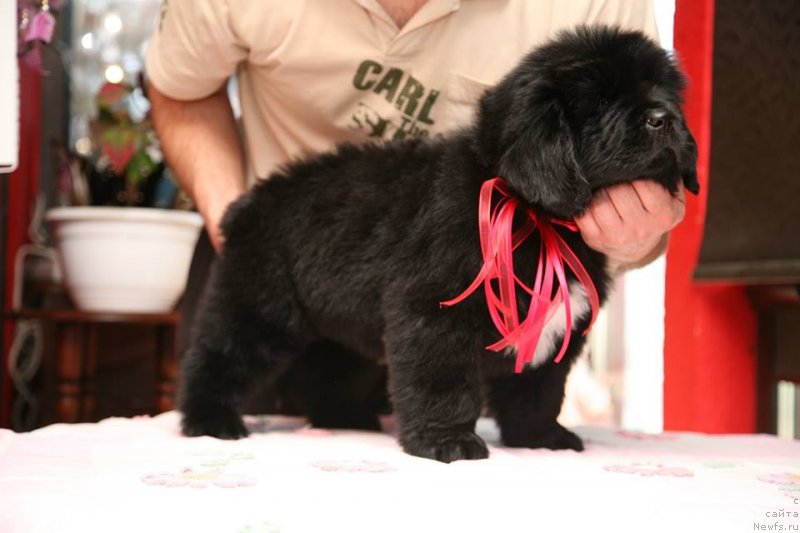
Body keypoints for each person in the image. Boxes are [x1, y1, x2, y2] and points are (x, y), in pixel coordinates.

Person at [145, 0, 685, 414]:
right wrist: (240, 227)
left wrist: (634, 234)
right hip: (288, 250)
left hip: (501, 290)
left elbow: (652, 147)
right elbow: (182, 89)